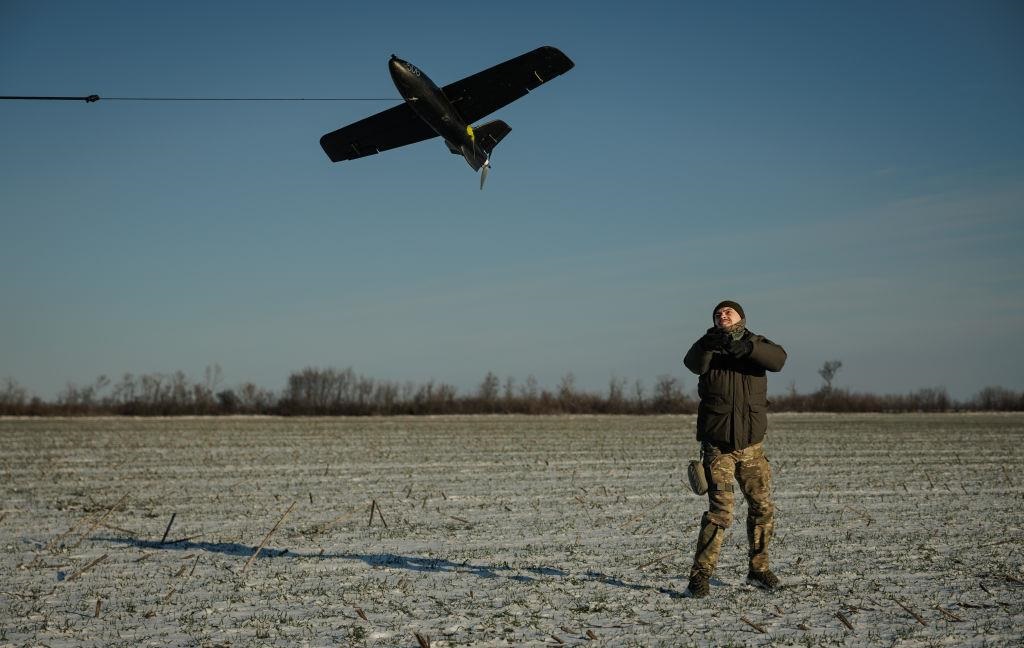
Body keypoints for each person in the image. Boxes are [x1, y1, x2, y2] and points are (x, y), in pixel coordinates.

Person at [682, 300, 787, 598]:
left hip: (752, 447)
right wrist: (706, 344)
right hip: (719, 448)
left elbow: (778, 360)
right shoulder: (707, 347)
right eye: (718, 313)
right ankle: (699, 577)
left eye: (728, 311)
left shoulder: (757, 343)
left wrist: (751, 349)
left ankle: (759, 570)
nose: (722, 314)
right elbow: (693, 364)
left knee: (763, 507)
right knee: (720, 514)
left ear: (741, 317)